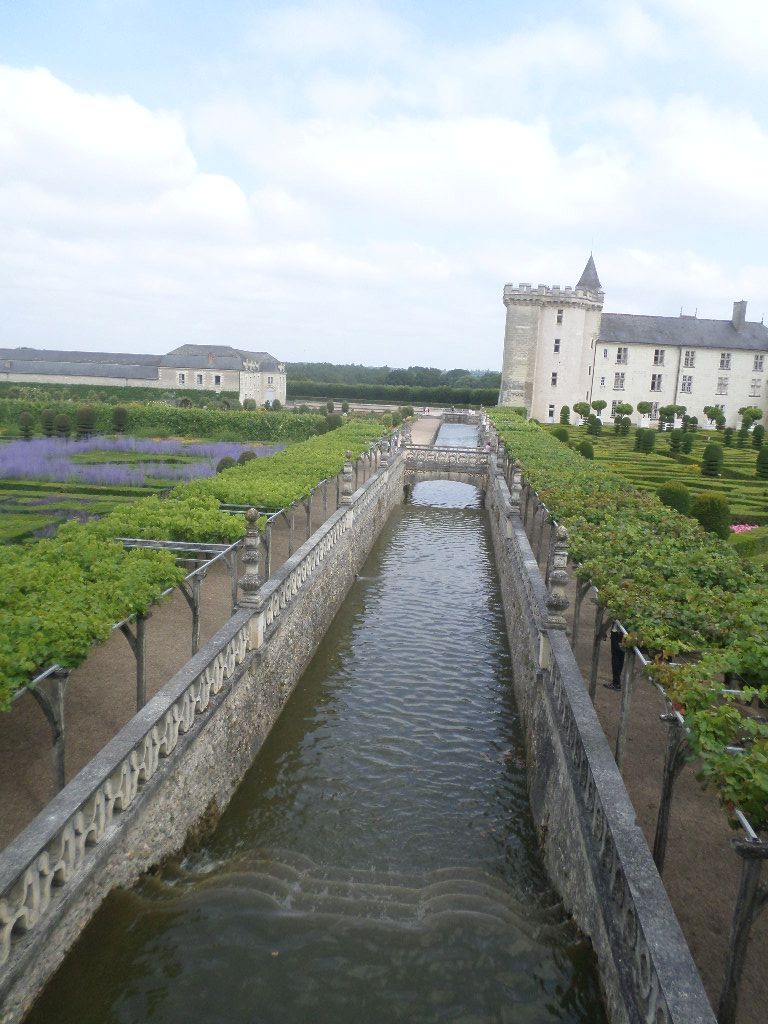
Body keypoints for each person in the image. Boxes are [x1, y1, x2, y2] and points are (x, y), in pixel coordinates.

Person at [604, 621, 624, 690]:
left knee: (616, 657)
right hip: (623, 632)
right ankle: (617, 681)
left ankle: (616, 682)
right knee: (620, 656)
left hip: (618, 632)